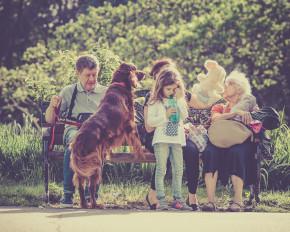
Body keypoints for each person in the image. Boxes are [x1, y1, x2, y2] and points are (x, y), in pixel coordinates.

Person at [144, 58, 213, 211]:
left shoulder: (180, 96)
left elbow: (200, 107)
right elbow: (149, 127)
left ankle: (189, 196)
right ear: (158, 79)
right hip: (158, 135)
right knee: (165, 158)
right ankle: (155, 195)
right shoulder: (153, 98)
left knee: (190, 152)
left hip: (176, 135)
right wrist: (167, 117)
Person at [45, 55, 107, 208]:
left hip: (95, 134)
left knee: (96, 146)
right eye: (88, 75)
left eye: (95, 74)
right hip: (74, 130)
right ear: (78, 73)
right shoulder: (68, 91)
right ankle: (67, 196)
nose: (92, 79)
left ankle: (91, 195)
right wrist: (52, 106)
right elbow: (50, 120)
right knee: (74, 144)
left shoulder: (105, 92)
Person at [202, 70, 257, 212]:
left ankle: (238, 202)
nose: (224, 88)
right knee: (209, 152)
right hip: (219, 141)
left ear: (238, 88)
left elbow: (258, 123)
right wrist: (235, 113)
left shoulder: (249, 105)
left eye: (227, 85)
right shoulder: (219, 106)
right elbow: (215, 118)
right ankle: (210, 201)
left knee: (236, 152)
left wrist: (251, 116)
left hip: (241, 142)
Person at [147, 66, 191, 210]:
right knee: (162, 169)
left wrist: (179, 100)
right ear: (160, 88)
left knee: (178, 169)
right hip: (161, 140)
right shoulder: (155, 102)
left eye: (174, 89)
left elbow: (184, 116)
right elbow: (151, 122)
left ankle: (178, 199)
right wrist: (164, 116)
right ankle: (161, 199)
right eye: (168, 89)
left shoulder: (179, 100)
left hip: (177, 140)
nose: (171, 92)